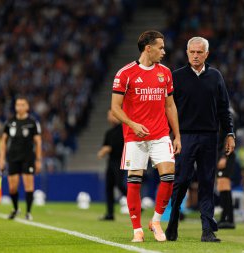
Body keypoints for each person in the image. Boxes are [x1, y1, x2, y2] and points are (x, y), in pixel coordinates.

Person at [111, 30, 181, 243]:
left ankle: (157, 221)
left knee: (169, 176)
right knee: (134, 181)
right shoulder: (125, 73)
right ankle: (137, 230)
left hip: (160, 134)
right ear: (148, 48)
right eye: (160, 47)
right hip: (135, 136)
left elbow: (170, 105)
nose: (164, 51)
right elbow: (115, 108)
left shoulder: (166, 73)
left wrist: (177, 135)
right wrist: (132, 124)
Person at [165, 37, 235, 242]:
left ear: (207, 54)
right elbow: (168, 110)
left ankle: (207, 230)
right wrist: (171, 136)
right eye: (192, 52)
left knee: (206, 182)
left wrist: (229, 133)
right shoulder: (176, 77)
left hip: (209, 137)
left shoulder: (216, 76)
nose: (195, 56)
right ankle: (173, 221)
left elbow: (224, 108)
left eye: (199, 52)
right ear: (187, 53)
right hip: (184, 137)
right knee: (182, 181)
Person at [0, 96, 42, 220]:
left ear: (27, 107)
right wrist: (1, 159)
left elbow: (38, 142)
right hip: (12, 158)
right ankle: (16, 209)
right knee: (12, 187)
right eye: (18, 105)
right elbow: (3, 141)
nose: (20, 107)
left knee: (28, 185)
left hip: (28, 158)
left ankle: (28, 212)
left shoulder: (32, 123)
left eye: (23, 105)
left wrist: (38, 160)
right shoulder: (9, 122)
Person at [97, 109, 127, 220]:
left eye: (111, 115)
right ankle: (110, 214)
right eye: (109, 115)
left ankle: (135, 203)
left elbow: (116, 146)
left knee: (119, 184)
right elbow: (105, 146)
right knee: (109, 187)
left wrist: (106, 149)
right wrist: (104, 150)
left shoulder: (123, 129)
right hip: (111, 161)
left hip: (120, 160)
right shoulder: (109, 132)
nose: (109, 117)